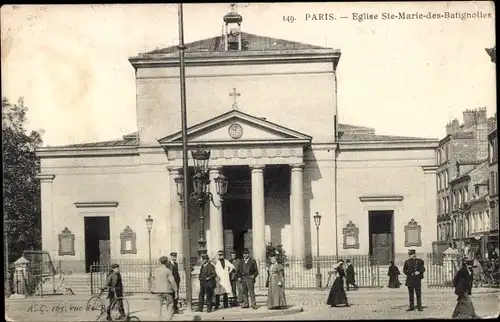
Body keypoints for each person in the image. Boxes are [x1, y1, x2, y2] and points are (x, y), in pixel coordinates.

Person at [151, 256, 179, 321]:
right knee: (170, 305)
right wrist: (176, 291)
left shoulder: (155, 270)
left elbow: (153, 280)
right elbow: (172, 281)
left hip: (157, 291)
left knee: (158, 308)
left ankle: (158, 319)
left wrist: (153, 289)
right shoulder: (168, 271)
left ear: (160, 262)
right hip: (167, 291)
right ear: (166, 262)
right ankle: (168, 319)